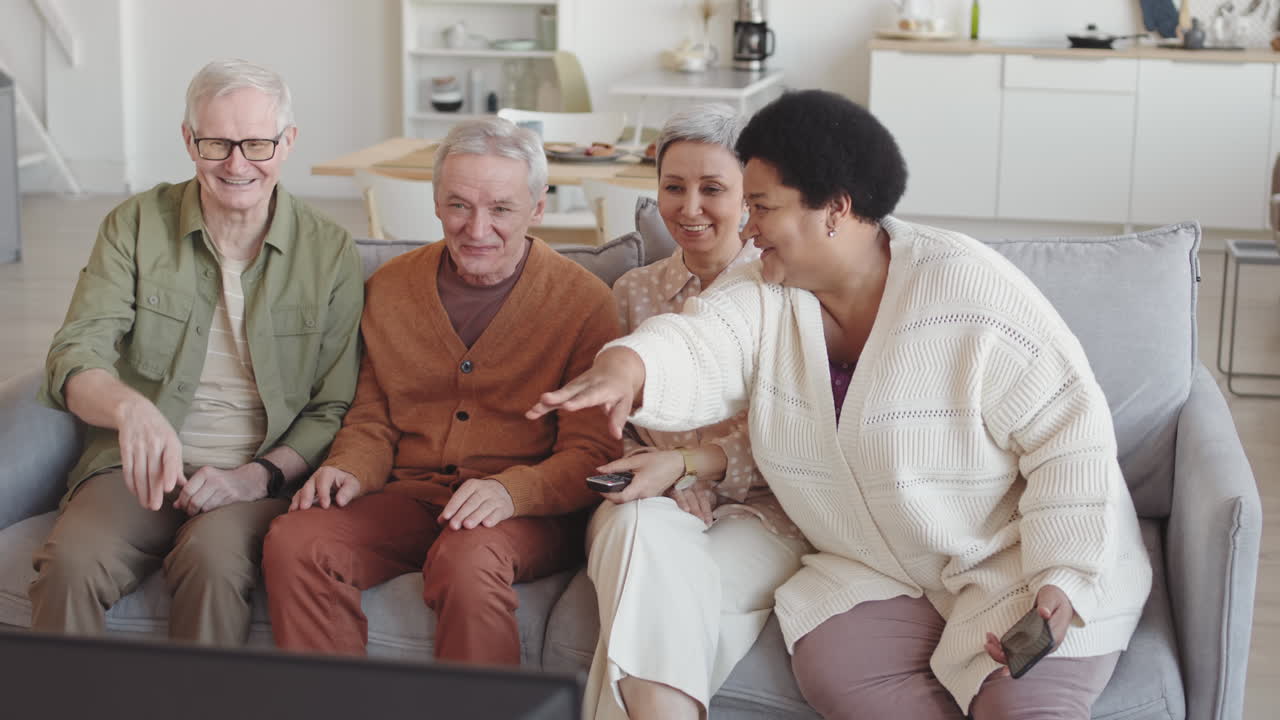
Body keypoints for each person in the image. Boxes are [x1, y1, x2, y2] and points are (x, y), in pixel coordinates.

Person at [529, 89, 1153, 719]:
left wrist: (1064, 573)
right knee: (834, 666)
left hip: (1018, 560)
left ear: (835, 208)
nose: (748, 227)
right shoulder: (764, 287)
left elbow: (1070, 439)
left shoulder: (969, 290)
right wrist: (629, 365)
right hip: (875, 567)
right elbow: (703, 339)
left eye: (762, 207)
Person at [261, 117, 621, 665]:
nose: (477, 229)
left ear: (537, 207)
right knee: (296, 541)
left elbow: (593, 452)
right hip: (409, 496)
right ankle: (331, 703)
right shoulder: (389, 288)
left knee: (467, 562)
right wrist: (349, 468)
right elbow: (372, 417)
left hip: (525, 513)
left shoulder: (585, 304)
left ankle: (480, 706)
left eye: (500, 209)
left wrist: (511, 491)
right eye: (459, 205)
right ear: (435, 202)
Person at [30, 59, 364, 645]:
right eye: (216, 144)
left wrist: (256, 477)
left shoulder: (330, 252)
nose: (237, 165)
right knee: (71, 564)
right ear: (188, 140)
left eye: (257, 144)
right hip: (135, 473)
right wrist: (130, 409)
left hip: (254, 479)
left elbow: (332, 407)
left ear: (288, 142)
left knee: (212, 563)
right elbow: (76, 351)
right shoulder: (135, 225)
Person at [582, 105, 810, 720]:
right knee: (637, 533)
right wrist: (655, 472)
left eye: (712, 188)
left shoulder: (786, 293)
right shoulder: (632, 292)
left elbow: (801, 434)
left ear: (748, 197)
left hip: (762, 512)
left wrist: (691, 464)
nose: (689, 208)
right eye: (674, 187)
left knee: (660, 607)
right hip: (647, 503)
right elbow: (608, 424)